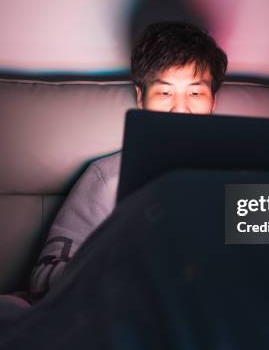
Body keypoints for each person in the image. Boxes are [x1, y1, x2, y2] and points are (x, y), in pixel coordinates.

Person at [29, 21, 228, 299]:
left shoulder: (243, 173)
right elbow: (43, 276)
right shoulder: (108, 178)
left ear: (213, 101)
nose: (180, 109)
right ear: (141, 98)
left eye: (195, 93)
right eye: (165, 92)